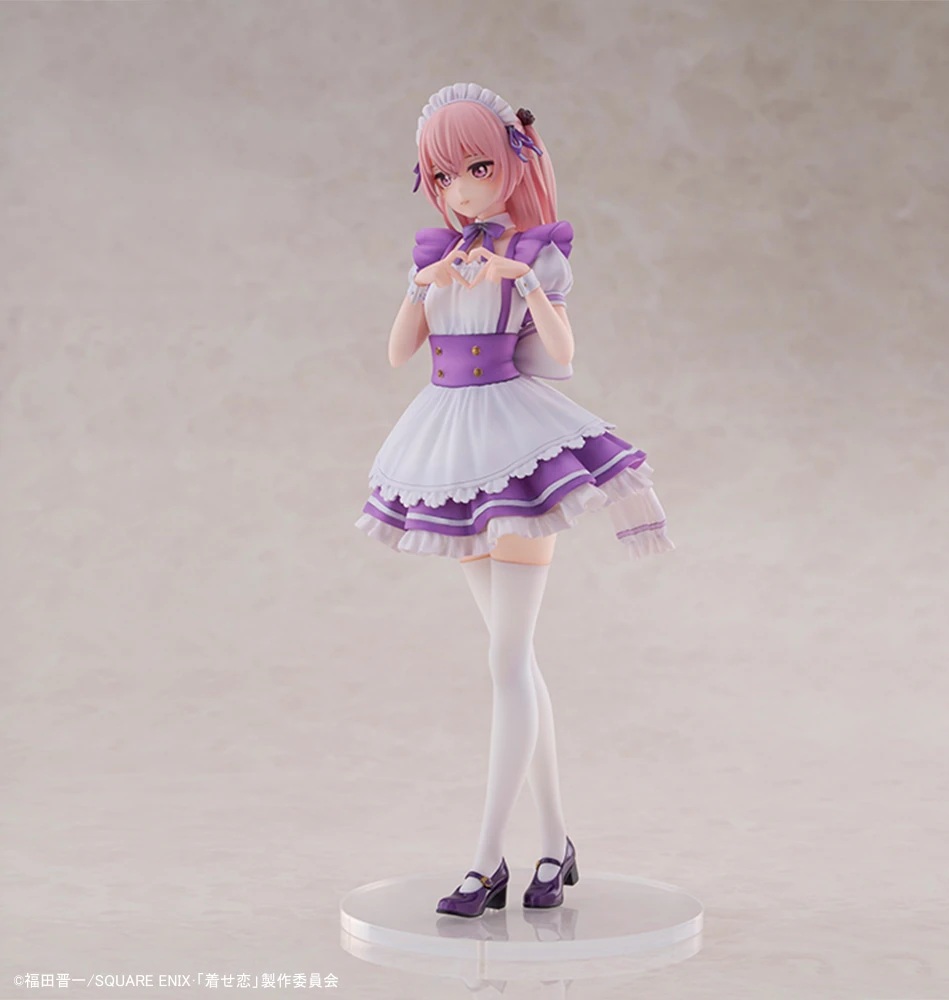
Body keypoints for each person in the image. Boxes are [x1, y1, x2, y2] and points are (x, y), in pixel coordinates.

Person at [355, 83, 676, 917]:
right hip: (449, 451)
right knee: (516, 664)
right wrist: (422, 286)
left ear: (512, 164)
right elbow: (398, 354)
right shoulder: (434, 257)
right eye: (442, 175)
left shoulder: (536, 254)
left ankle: (485, 858)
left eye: (476, 168)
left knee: (506, 663)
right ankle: (556, 842)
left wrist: (522, 279)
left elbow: (561, 355)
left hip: (516, 445)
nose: (460, 190)